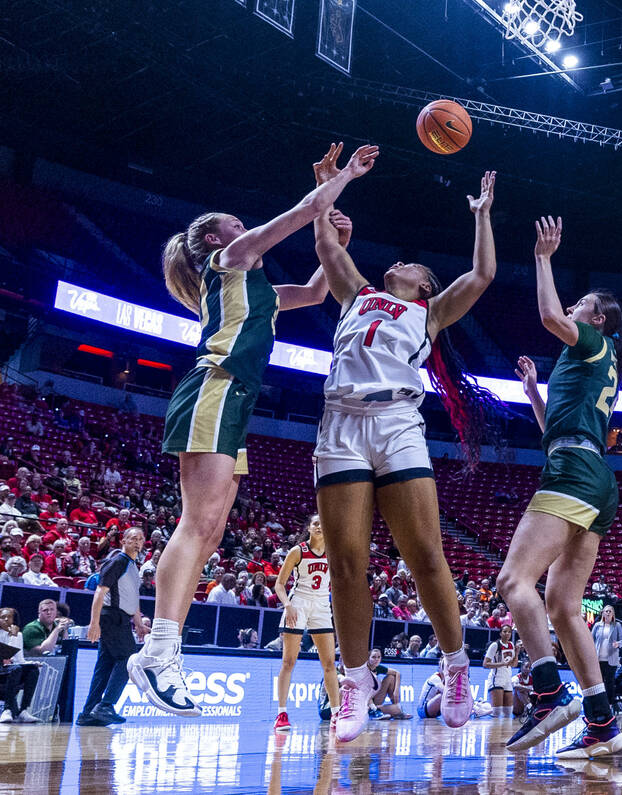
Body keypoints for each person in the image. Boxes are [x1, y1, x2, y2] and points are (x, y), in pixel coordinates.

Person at [127, 143, 377, 717]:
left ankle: (164, 651)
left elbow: (317, 292)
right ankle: (159, 650)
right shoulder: (232, 258)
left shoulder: (259, 292)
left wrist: (337, 240)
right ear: (216, 240)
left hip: (235, 402)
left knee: (211, 531)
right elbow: (299, 212)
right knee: (196, 525)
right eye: (234, 224)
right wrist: (340, 181)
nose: (244, 227)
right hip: (213, 387)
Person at [310, 163, 501, 743]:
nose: (398, 262)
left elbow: (483, 273)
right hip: (340, 421)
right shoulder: (356, 293)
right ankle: (356, 682)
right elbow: (323, 241)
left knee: (424, 555)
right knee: (345, 564)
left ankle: (456, 664)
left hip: (396, 421)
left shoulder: (431, 311)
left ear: (423, 286)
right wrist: (330, 184)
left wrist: (481, 215)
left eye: (411, 266)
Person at [497, 216, 622, 760]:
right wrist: (535, 394)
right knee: (563, 605)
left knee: (514, 580)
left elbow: (545, 313)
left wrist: (543, 257)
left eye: (580, 303)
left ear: (598, 318)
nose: (571, 309)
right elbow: (553, 431)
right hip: (593, 475)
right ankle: (603, 724)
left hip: (574, 474)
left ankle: (547, 693)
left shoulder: (590, 343)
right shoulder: (584, 363)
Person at [271, 515, 338, 733]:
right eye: (315, 523)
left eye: (322, 523)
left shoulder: (333, 551)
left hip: (321, 605)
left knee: (329, 663)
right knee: (288, 661)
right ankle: (281, 714)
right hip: (298, 602)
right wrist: (288, 605)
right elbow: (279, 585)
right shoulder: (297, 551)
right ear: (309, 528)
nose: (319, 526)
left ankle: (337, 714)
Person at [77, 528, 148, 726]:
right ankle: (106, 705)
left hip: (121, 617)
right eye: (133, 538)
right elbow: (99, 592)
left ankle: (88, 713)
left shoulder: (133, 567)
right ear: (123, 540)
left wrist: (139, 622)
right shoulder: (117, 561)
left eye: (140, 539)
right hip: (111, 617)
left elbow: (133, 597)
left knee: (105, 667)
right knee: (128, 659)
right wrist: (94, 622)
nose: (137, 541)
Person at [0, 608, 40, 723]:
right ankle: (8, 710)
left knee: (32, 670)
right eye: (3, 617)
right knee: (16, 669)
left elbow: (19, 659)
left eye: (9, 617)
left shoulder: (18, 635)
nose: (6, 619)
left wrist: (32, 663)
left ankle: (24, 710)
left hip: (10, 669)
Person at [591, 605, 622, 706]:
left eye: (610, 611)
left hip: (611, 659)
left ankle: (609, 704)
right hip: (598, 659)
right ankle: (599, 703)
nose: (608, 613)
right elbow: (591, 639)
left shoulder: (617, 625)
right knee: (599, 683)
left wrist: (618, 644)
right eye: (606, 611)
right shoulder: (597, 625)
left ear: (613, 614)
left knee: (610, 683)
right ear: (603, 613)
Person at [484, 624, 518, 717]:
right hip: (496, 679)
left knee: (508, 712)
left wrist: (517, 652)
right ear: (500, 633)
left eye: (509, 632)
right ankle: (483, 710)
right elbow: (485, 664)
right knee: (497, 712)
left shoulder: (511, 645)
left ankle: (504, 731)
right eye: (505, 631)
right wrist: (502, 664)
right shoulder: (495, 645)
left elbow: (514, 665)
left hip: (507, 679)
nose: (507, 634)